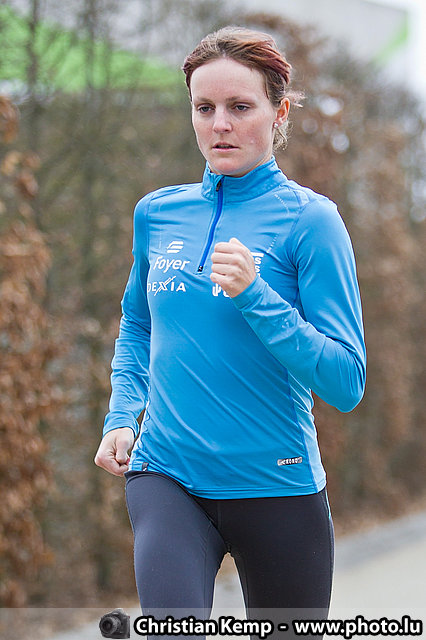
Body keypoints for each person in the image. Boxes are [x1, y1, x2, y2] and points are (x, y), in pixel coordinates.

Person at [94, 26, 366, 639]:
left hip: (278, 485)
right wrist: (122, 415)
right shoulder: (157, 212)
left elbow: (346, 382)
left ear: (279, 112)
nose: (220, 125)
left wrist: (257, 296)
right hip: (168, 475)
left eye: (240, 107)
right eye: (205, 108)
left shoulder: (312, 222)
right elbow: (138, 323)